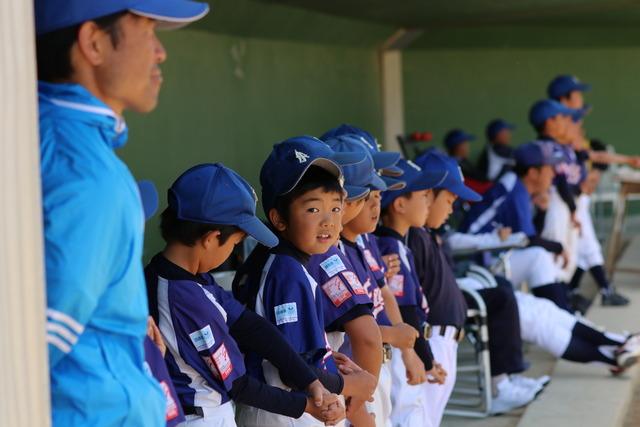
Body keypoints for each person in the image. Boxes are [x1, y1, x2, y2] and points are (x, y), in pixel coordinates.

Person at [35, 1, 208, 425]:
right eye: (146, 30)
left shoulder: (47, 131)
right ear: (93, 42)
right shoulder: (89, 176)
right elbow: (32, 347)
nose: (160, 52)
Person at [145, 163, 347, 426]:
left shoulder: (181, 274)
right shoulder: (184, 298)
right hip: (197, 417)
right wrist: (306, 405)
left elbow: (250, 325)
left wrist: (309, 381)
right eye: (235, 243)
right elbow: (239, 385)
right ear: (211, 238)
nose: (233, 250)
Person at [233, 136, 377, 427]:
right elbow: (293, 370)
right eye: (312, 209)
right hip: (284, 411)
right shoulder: (287, 271)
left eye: (336, 208)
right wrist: (354, 385)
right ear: (279, 219)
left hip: (284, 407)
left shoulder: (275, 260)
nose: (328, 221)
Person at [412, 150, 539, 415]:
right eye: (449, 199)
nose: (452, 208)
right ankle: (501, 385)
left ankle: (506, 379)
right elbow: (407, 303)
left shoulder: (429, 231)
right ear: (425, 194)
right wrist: (423, 356)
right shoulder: (411, 237)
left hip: (444, 334)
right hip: (430, 336)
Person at [306, 135, 387, 426]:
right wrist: (359, 406)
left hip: (326, 389)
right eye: (367, 196)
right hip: (327, 394)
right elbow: (366, 336)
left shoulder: (328, 247)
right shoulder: (323, 253)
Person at [374, 159, 449, 426]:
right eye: (423, 195)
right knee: (407, 416)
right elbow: (405, 310)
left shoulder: (399, 245)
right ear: (400, 204)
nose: (429, 202)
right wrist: (422, 357)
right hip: (396, 349)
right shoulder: (388, 246)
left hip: (403, 345)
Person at [461, 142, 573, 310]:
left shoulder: (516, 184)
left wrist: (542, 212)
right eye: (549, 168)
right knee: (538, 258)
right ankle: (564, 315)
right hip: (472, 260)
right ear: (532, 173)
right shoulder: (515, 189)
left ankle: (563, 313)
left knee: (539, 257)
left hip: (490, 255)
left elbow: (526, 238)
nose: (553, 173)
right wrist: (559, 247)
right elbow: (528, 240)